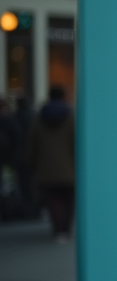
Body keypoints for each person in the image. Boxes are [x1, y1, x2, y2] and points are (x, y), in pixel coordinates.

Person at [26, 85, 75, 240]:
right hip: (69, 167)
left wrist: (30, 163)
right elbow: (76, 142)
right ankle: (66, 229)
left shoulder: (39, 118)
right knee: (69, 200)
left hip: (46, 168)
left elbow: (32, 144)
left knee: (53, 199)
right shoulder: (71, 117)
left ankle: (58, 229)